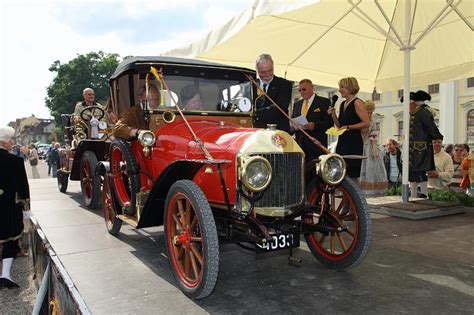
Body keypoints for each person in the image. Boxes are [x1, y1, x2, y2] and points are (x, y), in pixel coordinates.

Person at [0, 126, 31, 289]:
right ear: (5, 142)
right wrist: (27, 209)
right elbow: (23, 187)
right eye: (11, 140)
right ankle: (5, 274)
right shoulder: (15, 161)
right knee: (10, 241)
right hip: (9, 208)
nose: (12, 142)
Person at [327, 77, 370, 180]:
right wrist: (333, 115)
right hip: (343, 142)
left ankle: (352, 195)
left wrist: (349, 127)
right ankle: (345, 195)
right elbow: (340, 125)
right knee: (342, 172)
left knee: (352, 174)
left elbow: (366, 123)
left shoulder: (357, 102)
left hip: (353, 142)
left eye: (342, 87)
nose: (339, 90)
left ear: (350, 88)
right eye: (339, 87)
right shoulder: (342, 104)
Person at [404, 90, 444, 198]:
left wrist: (438, 137)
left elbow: (431, 126)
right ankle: (413, 195)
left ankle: (424, 194)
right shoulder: (414, 113)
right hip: (413, 148)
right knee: (413, 171)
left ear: (413, 103)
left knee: (420, 170)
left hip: (420, 147)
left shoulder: (423, 112)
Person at [291, 79, 332, 162]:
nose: (301, 92)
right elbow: (292, 121)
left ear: (312, 88)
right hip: (300, 146)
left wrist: (314, 125)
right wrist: (292, 127)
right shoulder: (297, 104)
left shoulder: (323, 102)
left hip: (316, 146)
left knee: (315, 172)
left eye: (304, 89)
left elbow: (329, 123)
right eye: (300, 90)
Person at [253, 54, 293, 133]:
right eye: (263, 72)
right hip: (257, 133)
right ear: (257, 71)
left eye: (270, 70)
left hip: (278, 133)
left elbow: (279, 108)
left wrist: (254, 114)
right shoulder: (251, 84)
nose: (267, 74)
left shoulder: (284, 84)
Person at [359, 101, 388, 196]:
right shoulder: (362, 121)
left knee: (371, 168)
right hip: (361, 146)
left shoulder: (373, 122)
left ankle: (371, 191)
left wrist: (374, 150)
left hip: (370, 147)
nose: (369, 114)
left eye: (370, 112)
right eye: (368, 111)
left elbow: (374, 138)